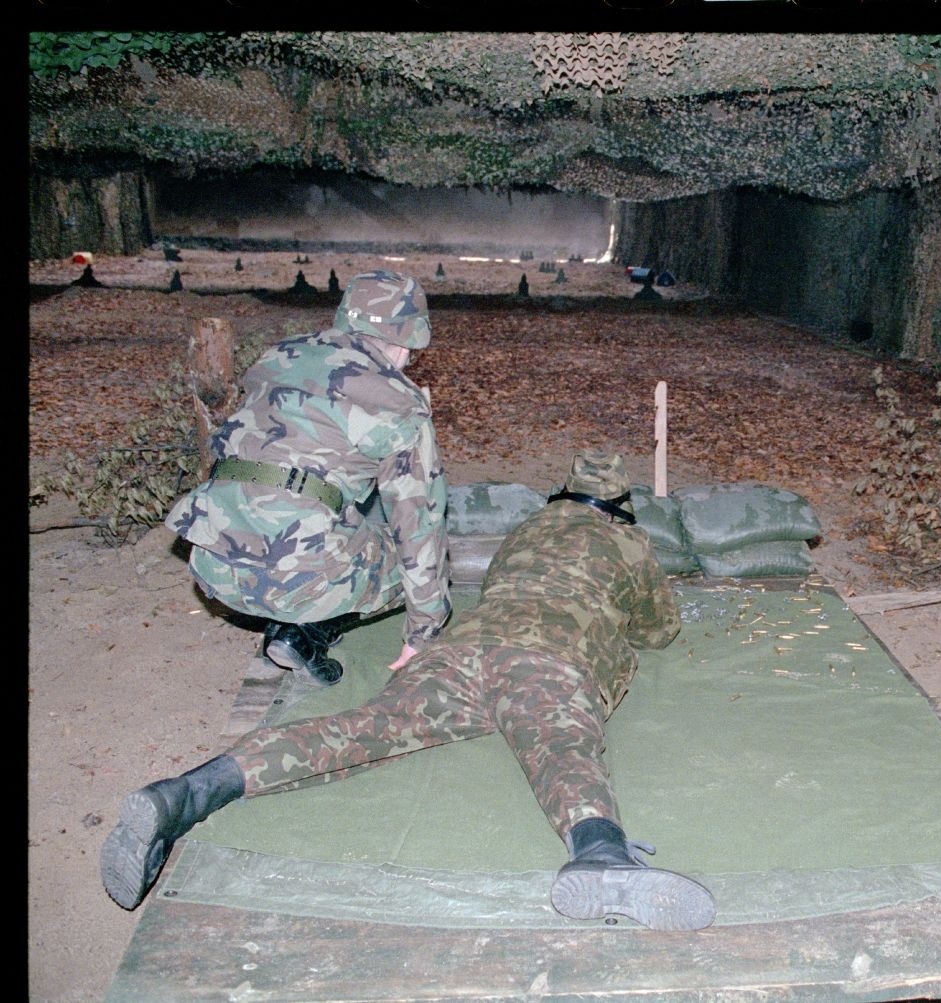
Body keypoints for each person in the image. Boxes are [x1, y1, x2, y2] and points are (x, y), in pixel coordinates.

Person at [103, 450, 716, 932]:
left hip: (461, 650)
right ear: (617, 505)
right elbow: (660, 631)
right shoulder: (629, 542)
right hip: (549, 657)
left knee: (361, 729)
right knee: (562, 746)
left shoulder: (526, 529)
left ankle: (190, 790)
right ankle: (601, 853)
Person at [166, 270, 451, 685]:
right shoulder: (398, 402)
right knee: (417, 560)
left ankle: (294, 622)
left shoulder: (279, 357)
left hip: (215, 561)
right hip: (294, 577)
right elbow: (419, 526)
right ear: (408, 343)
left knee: (337, 519)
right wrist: (424, 634)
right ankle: (303, 630)